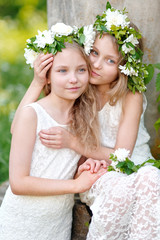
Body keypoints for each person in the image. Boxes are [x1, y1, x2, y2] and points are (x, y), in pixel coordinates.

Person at [11, 3, 160, 240]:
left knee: (151, 178)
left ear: (124, 67)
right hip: (99, 169)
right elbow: (17, 127)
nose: (97, 64)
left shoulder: (130, 94)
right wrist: (38, 82)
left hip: (130, 162)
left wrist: (74, 143)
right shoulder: (79, 87)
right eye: (95, 53)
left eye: (110, 61)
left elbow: (123, 155)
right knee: (119, 189)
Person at [0, 23, 107, 240]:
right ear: (47, 76)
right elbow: (19, 183)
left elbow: (67, 168)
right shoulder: (33, 114)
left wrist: (85, 169)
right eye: (62, 71)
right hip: (22, 223)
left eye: (81, 70)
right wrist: (76, 185)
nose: (73, 79)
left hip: (58, 224)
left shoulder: (85, 117)